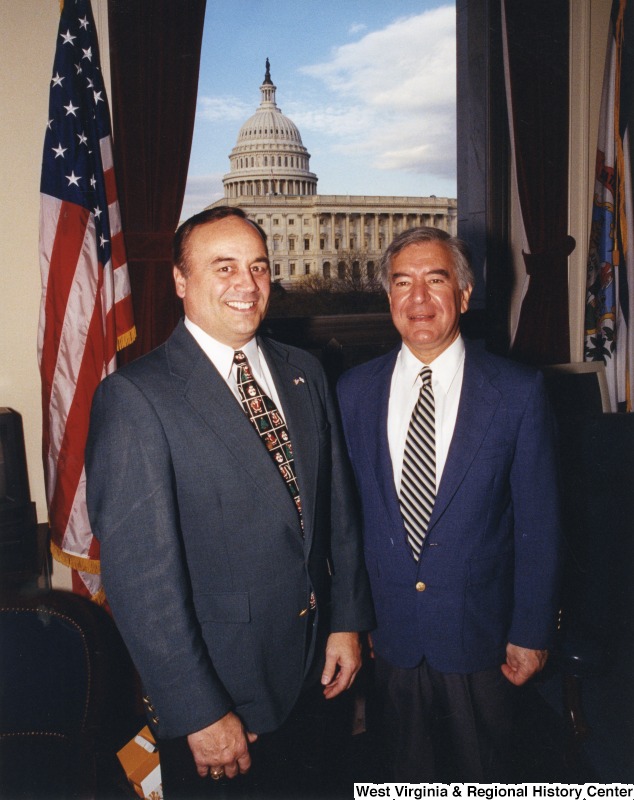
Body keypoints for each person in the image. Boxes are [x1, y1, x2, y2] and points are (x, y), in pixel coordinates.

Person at [85, 206, 375, 798]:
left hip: (316, 676)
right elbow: (142, 582)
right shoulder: (135, 398)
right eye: (224, 267)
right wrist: (196, 711)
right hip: (222, 697)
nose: (247, 285)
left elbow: (337, 512)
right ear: (179, 281)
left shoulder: (305, 371)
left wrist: (346, 621)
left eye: (259, 267)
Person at [336, 226, 561, 782]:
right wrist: (351, 618)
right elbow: (345, 521)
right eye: (403, 283)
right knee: (398, 777)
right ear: (388, 297)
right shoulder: (352, 391)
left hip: (483, 641)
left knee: (484, 778)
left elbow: (540, 525)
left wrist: (532, 632)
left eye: (435, 281)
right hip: (389, 640)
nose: (418, 299)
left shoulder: (517, 391)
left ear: (463, 294)